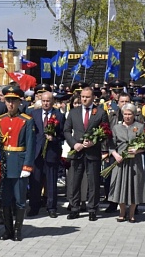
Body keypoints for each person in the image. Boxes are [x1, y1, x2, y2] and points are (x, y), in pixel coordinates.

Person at [64, 87, 109, 221]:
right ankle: (75, 208)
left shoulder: (100, 113)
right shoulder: (73, 112)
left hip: (92, 152)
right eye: (83, 96)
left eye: (87, 97)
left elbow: (105, 132)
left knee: (93, 182)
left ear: (93, 98)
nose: (84, 99)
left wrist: (94, 142)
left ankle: (92, 209)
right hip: (77, 152)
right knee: (75, 181)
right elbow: (66, 130)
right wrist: (74, 144)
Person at [0, 86, 35, 241]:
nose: (10, 104)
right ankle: (8, 230)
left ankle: (18, 230)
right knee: (5, 200)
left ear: (20, 102)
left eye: (14, 101)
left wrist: (27, 166)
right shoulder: (0, 119)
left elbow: (30, 145)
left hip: (19, 164)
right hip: (4, 165)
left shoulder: (26, 120)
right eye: (8, 100)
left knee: (19, 200)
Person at [108, 103, 145, 223]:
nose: (127, 116)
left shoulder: (140, 127)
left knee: (134, 186)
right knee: (120, 186)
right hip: (120, 162)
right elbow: (111, 146)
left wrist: (138, 150)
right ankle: (122, 213)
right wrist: (115, 155)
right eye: (125, 114)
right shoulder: (116, 128)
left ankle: (131, 214)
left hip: (135, 162)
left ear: (134, 115)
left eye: (130, 114)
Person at [28, 91, 65, 218]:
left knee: (51, 182)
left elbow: (62, 135)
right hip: (37, 153)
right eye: (43, 101)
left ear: (52, 102)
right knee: (35, 182)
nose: (45, 103)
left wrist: (53, 139)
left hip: (51, 153)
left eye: (48, 101)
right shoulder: (33, 114)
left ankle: (52, 207)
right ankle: (34, 206)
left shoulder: (59, 116)